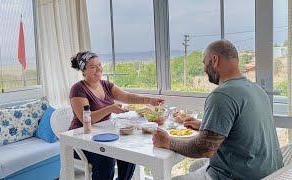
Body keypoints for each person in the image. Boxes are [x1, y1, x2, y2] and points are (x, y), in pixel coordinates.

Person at [152, 40, 283, 180]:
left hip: (239, 176)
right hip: (271, 172)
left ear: (214, 60)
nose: (204, 69)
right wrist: (204, 125)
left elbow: (203, 149)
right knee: (195, 166)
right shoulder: (256, 90)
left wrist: (167, 141)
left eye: (204, 62)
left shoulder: (222, 95)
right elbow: (244, 129)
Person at [69, 51, 164, 180]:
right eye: (92, 67)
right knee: (106, 157)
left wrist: (149, 100)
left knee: (128, 152)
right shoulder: (78, 89)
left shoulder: (106, 85)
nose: (98, 69)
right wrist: (110, 109)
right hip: (81, 140)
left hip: (102, 134)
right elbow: (86, 118)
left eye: (100, 65)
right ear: (83, 71)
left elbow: (127, 97)